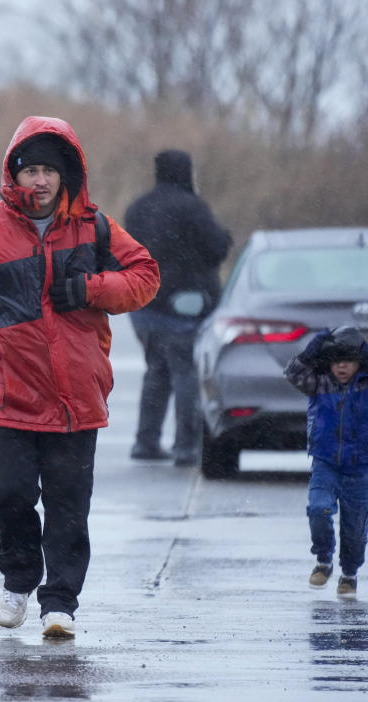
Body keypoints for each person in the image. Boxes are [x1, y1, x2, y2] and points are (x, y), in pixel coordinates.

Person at [0, 116, 160, 638]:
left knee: (68, 509)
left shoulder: (95, 227)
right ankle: (19, 578)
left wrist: (90, 290)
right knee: (6, 495)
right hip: (3, 394)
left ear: (66, 176)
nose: (39, 180)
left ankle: (61, 604)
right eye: (29, 169)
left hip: (76, 396)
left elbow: (145, 276)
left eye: (49, 171)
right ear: (13, 174)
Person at [124, 149, 233, 466]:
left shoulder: (138, 208)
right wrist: (225, 238)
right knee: (185, 373)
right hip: (182, 307)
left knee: (156, 370)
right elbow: (216, 248)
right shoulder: (192, 208)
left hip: (143, 307)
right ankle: (186, 445)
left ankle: (146, 441)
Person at [284, 326, 368, 597]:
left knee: (355, 528)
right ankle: (323, 559)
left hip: (361, 469)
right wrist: (314, 346)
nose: (342, 366)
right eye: (336, 360)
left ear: (360, 362)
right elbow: (293, 373)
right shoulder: (319, 383)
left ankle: (349, 573)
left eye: (349, 360)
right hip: (325, 464)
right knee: (319, 510)